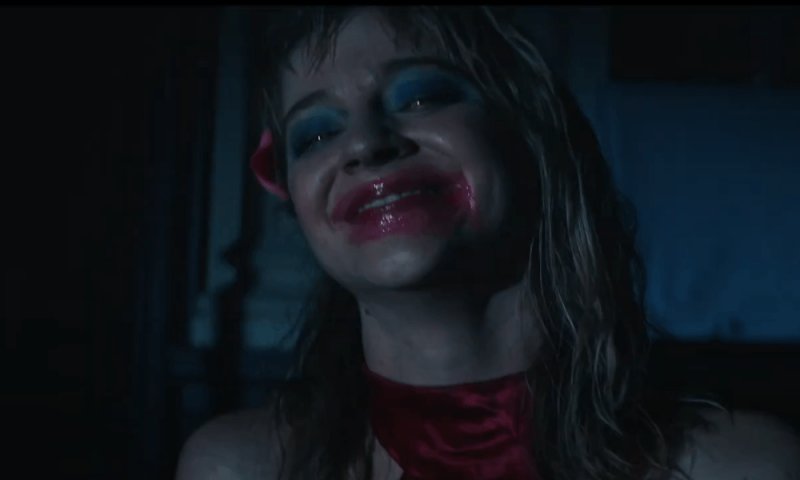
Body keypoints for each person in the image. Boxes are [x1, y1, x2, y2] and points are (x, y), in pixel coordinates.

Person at [176, 6, 800, 480]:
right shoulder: (241, 469)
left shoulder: (741, 467)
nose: (364, 143)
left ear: (528, 134)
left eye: (419, 96)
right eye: (314, 133)